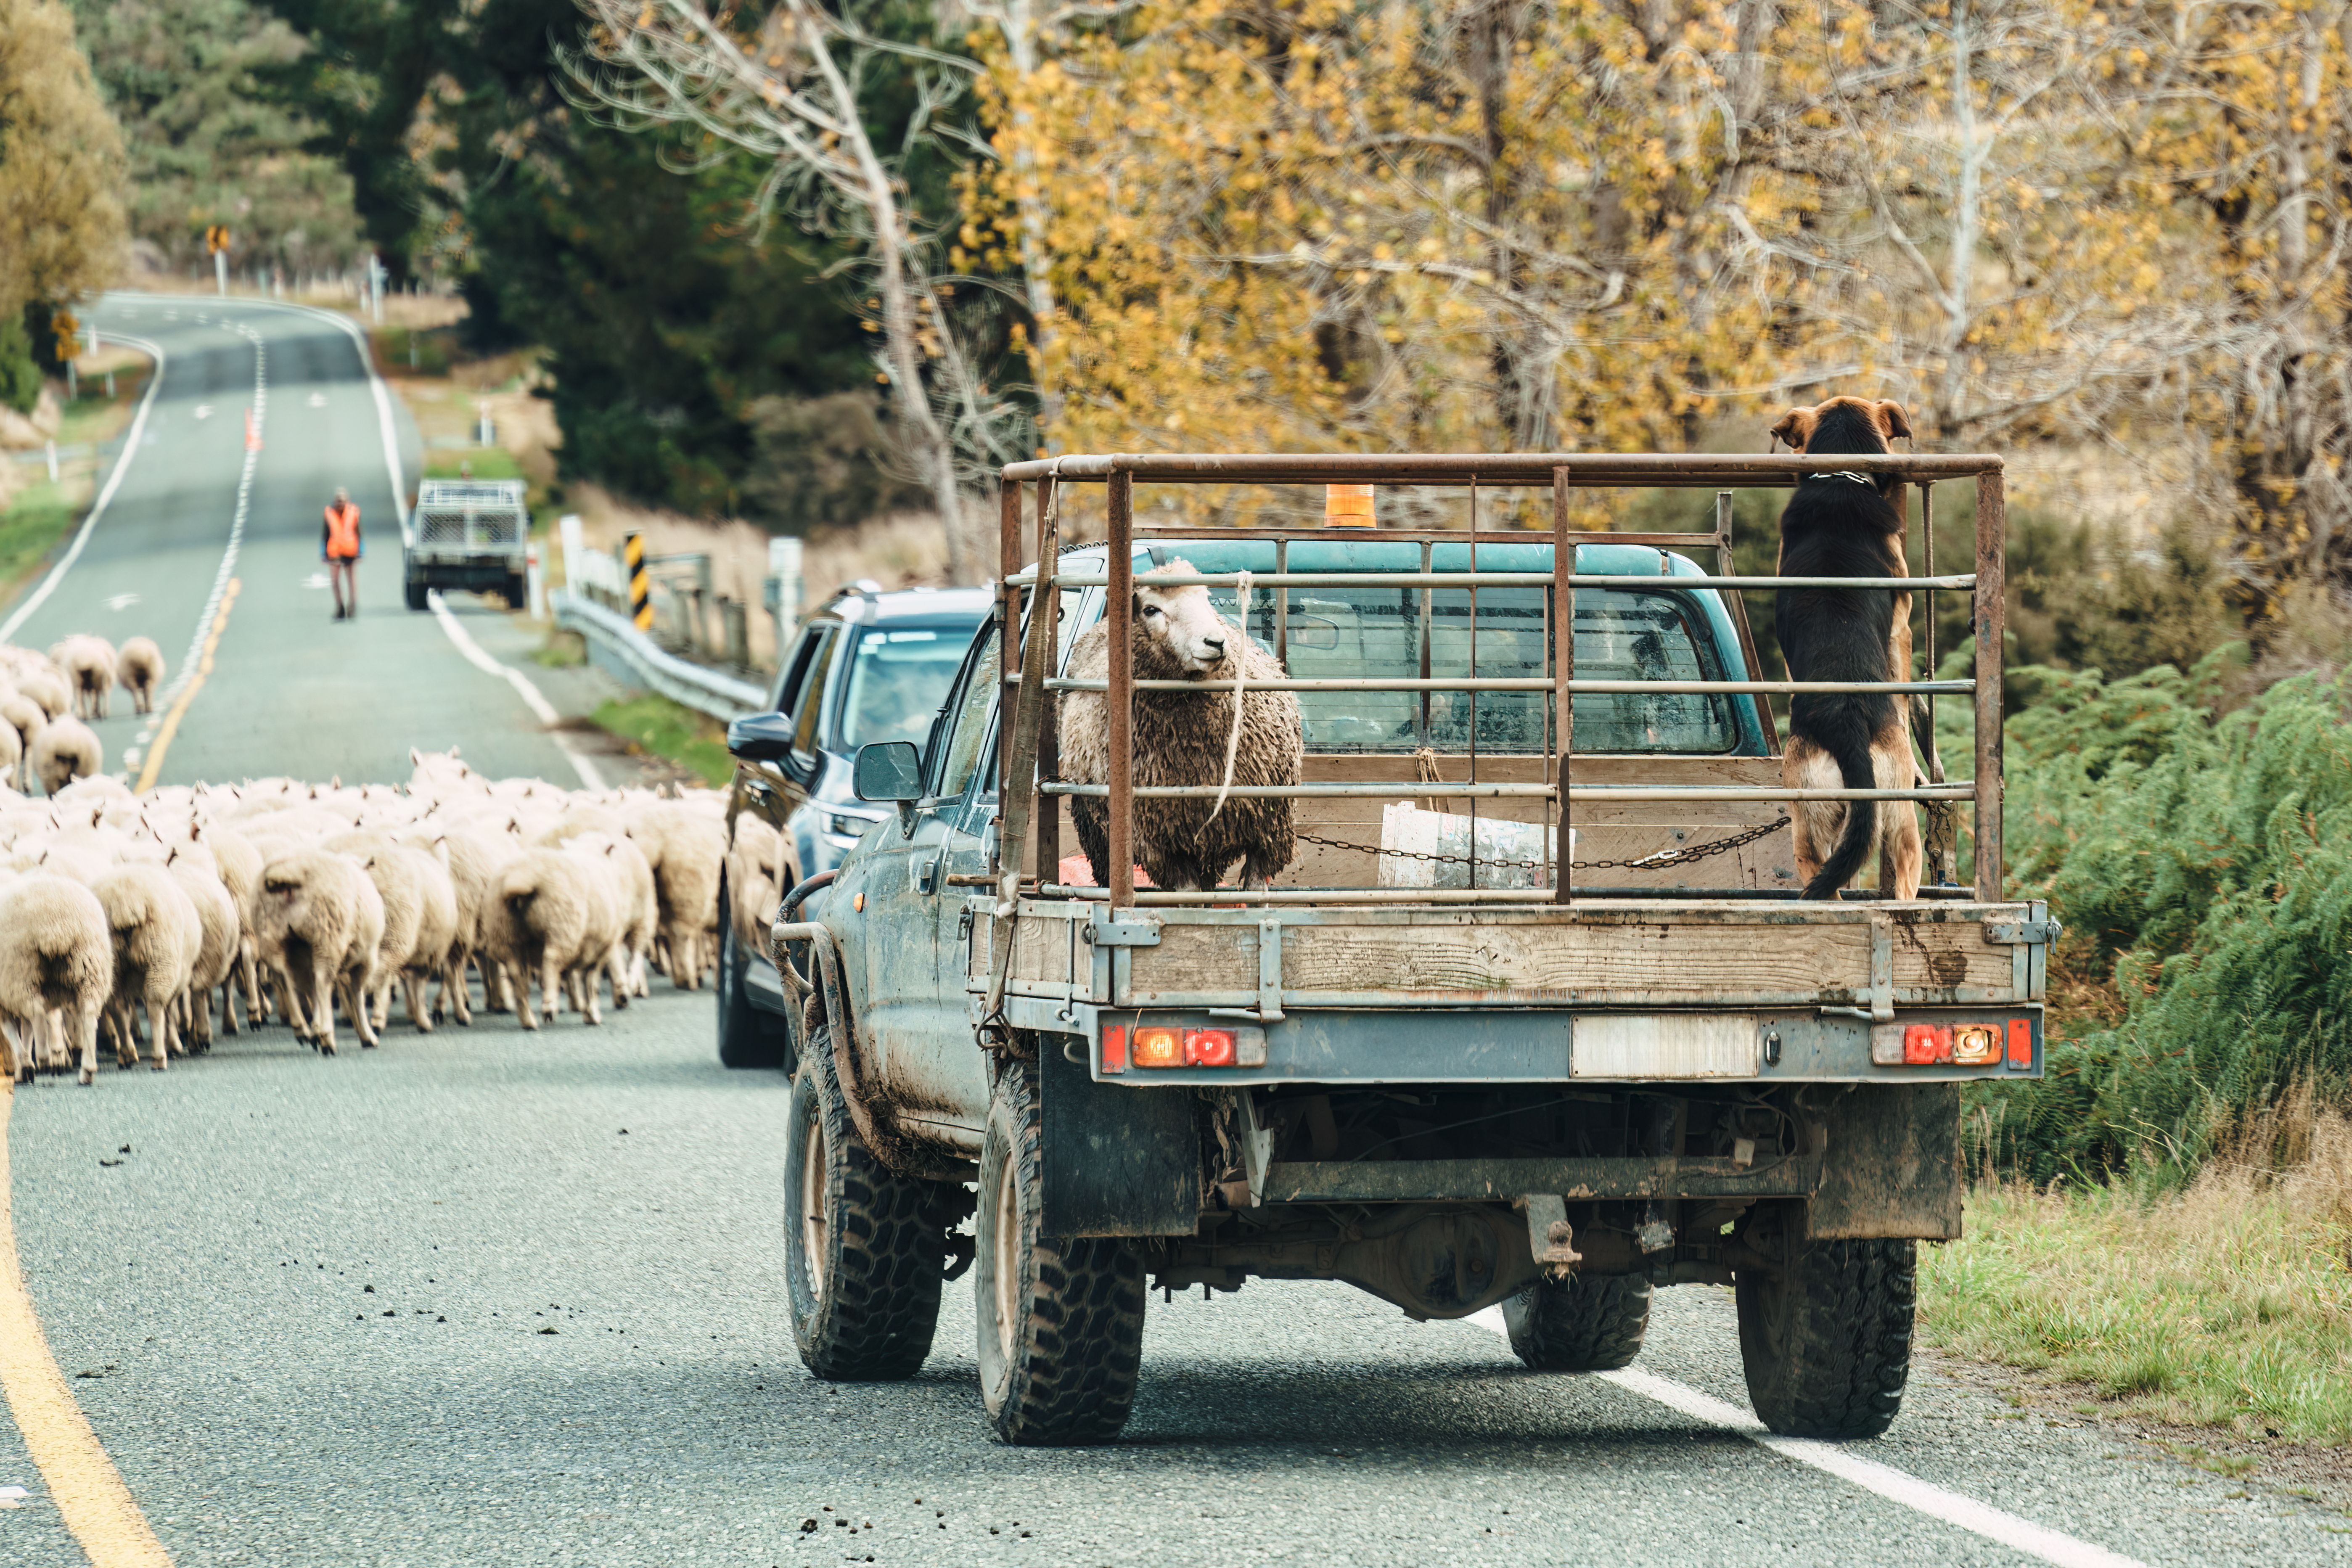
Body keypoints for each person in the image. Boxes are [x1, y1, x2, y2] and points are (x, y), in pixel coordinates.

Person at [322, 487, 362, 620]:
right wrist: (323, 553)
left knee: (351, 579)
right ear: (334, 501)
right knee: (335, 580)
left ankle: (352, 605)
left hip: (350, 550)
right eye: (338, 501)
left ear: (347, 500)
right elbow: (325, 534)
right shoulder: (329, 513)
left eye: (342, 500)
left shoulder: (354, 512)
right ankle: (340, 606)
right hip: (334, 551)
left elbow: (359, 532)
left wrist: (361, 551)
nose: (340, 503)